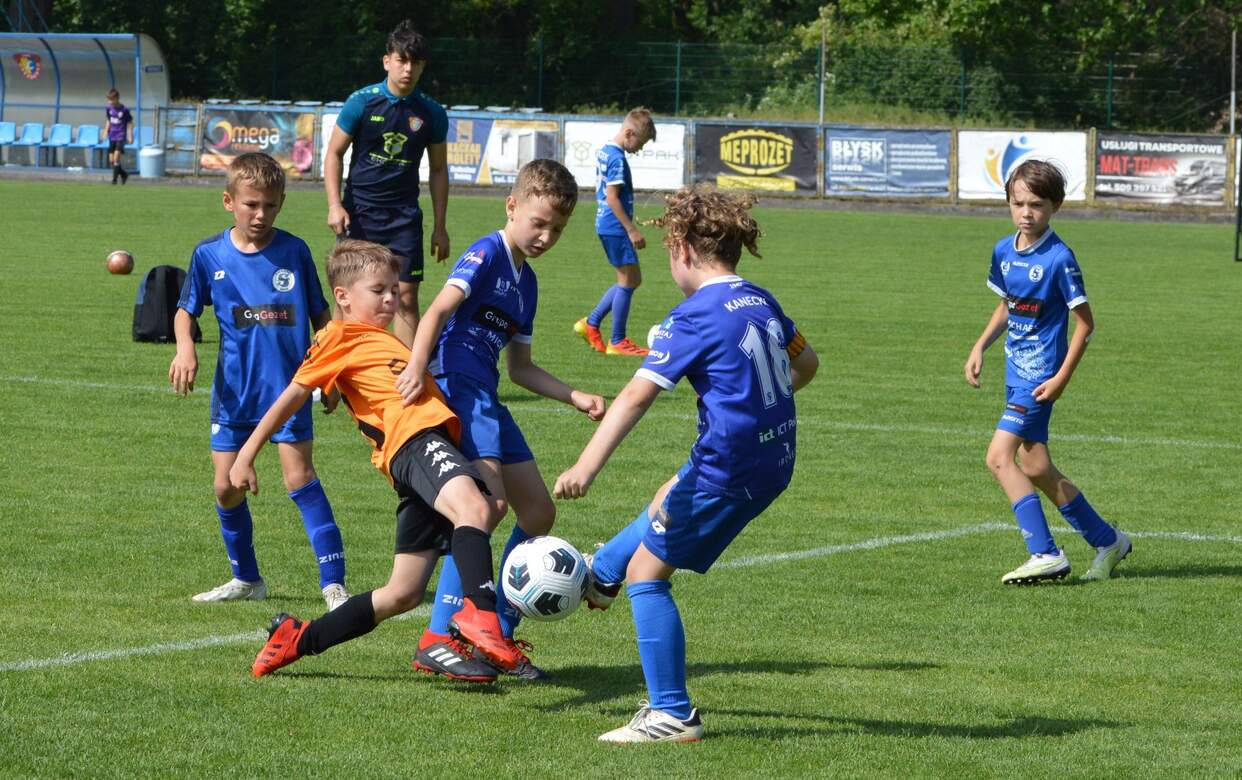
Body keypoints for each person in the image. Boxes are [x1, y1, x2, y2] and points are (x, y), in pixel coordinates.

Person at [554, 186, 820, 743]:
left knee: (648, 577)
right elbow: (808, 364)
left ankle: (671, 714)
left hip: (732, 466)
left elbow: (634, 397)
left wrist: (584, 467)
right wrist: (760, 399)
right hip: (773, 457)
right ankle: (602, 574)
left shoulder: (693, 316)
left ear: (681, 249)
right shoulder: (762, 299)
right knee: (668, 496)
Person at [233, 239, 522, 680]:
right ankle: (482, 616)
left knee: (403, 592)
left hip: (420, 453)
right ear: (344, 296)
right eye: (378, 290)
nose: (390, 298)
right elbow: (292, 395)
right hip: (413, 442)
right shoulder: (337, 336)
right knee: (477, 509)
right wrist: (246, 454)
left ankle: (297, 638)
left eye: (393, 289)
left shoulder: (381, 338)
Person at [396, 159, 606, 681]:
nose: (545, 237)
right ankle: (446, 636)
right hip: (457, 385)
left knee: (537, 512)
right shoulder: (486, 252)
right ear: (512, 206)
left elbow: (521, 368)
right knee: (485, 508)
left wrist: (574, 395)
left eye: (557, 229)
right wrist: (418, 366)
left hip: (487, 393)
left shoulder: (527, 285)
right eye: (538, 223)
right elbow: (436, 311)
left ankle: (498, 630)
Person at [169, 152, 351, 611]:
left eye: (270, 205)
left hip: (289, 391)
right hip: (234, 394)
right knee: (225, 487)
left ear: (281, 203)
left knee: (299, 478)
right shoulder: (209, 255)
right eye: (251, 204)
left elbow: (322, 318)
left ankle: (334, 585)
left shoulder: (294, 251)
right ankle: (247, 579)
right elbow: (185, 310)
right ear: (228, 201)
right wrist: (185, 347)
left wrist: (331, 373)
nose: (260, 214)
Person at [964, 159, 1131, 585]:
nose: (1026, 213)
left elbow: (1086, 324)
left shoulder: (1059, 258)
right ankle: (1108, 540)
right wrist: (980, 345)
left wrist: (1061, 379)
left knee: (998, 457)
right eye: (1018, 203)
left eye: (1036, 205)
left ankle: (1045, 552)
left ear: (1055, 206)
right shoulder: (1004, 251)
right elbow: (1008, 305)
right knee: (1037, 468)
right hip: (1014, 374)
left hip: (1039, 380)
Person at [324, 19, 450, 346]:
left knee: (404, 297)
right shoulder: (361, 102)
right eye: (401, 60)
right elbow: (334, 154)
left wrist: (440, 226)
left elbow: (439, 169)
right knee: (349, 294)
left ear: (423, 66)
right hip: (359, 213)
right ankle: (338, 367)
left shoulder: (432, 112)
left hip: (404, 218)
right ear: (387, 61)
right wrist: (335, 205)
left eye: (415, 62)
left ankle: (404, 370)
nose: (408, 69)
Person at [573, 107, 657, 357]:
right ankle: (617, 340)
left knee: (632, 279)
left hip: (607, 224)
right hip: (615, 226)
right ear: (629, 133)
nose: (639, 149)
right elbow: (612, 197)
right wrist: (631, 229)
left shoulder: (605, 151)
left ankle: (590, 324)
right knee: (628, 280)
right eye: (640, 143)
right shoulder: (617, 159)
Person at [104, 89, 133, 185]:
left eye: (111, 100)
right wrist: (105, 131)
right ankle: (124, 174)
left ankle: (114, 181)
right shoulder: (108, 108)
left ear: (117, 98)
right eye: (109, 100)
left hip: (120, 136)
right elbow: (108, 120)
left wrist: (130, 135)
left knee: (116, 158)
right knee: (111, 161)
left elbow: (129, 122)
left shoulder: (124, 110)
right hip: (112, 136)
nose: (110, 102)